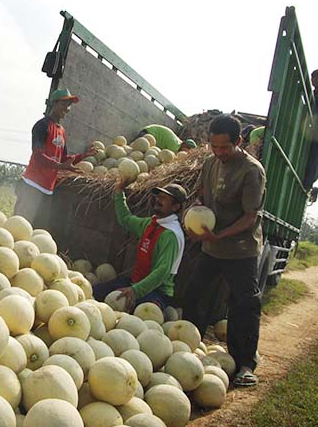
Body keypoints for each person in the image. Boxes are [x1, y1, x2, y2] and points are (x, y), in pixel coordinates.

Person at [183, 114, 266, 388]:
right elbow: (204, 197)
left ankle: (245, 364)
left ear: (239, 141)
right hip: (212, 245)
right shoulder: (210, 164)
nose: (219, 153)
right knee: (194, 292)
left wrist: (218, 235)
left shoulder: (251, 170)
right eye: (214, 147)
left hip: (241, 249)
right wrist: (196, 211)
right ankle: (187, 348)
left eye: (225, 148)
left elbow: (250, 216)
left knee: (243, 304)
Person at [92, 183, 187, 312]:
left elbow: (162, 272)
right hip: (134, 282)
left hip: (157, 292)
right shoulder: (150, 223)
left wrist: (135, 291)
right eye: (159, 196)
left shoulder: (171, 235)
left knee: (133, 313)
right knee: (95, 292)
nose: (158, 200)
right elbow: (126, 219)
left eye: (164, 198)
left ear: (176, 207)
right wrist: (119, 192)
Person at [14, 88, 96, 228]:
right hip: (31, 186)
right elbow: (38, 156)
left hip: (47, 190)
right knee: (19, 227)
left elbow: (63, 158)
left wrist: (83, 156)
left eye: (69, 105)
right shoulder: (42, 125)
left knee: (37, 229)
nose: (67, 108)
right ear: (55, 103)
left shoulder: (61, 131)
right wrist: (61, 166)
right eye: (64, 104)